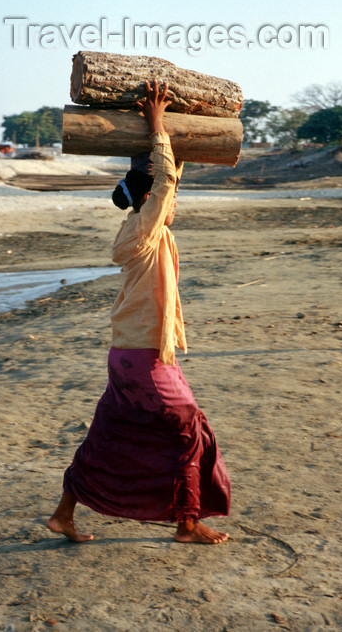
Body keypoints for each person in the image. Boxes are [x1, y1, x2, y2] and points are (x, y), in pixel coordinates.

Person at [47, 79, 230, 544]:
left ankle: (64, 513)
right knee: (189, 429)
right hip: (146, 357)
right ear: (150, 200)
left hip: (128, 355)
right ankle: (187, 523)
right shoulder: (148, 228)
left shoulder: (138, 227)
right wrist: (154, 124)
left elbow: (169, 182)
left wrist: (177, 132)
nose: (171, 203)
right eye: (163, 199)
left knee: (109, 436)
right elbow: (165, 182)